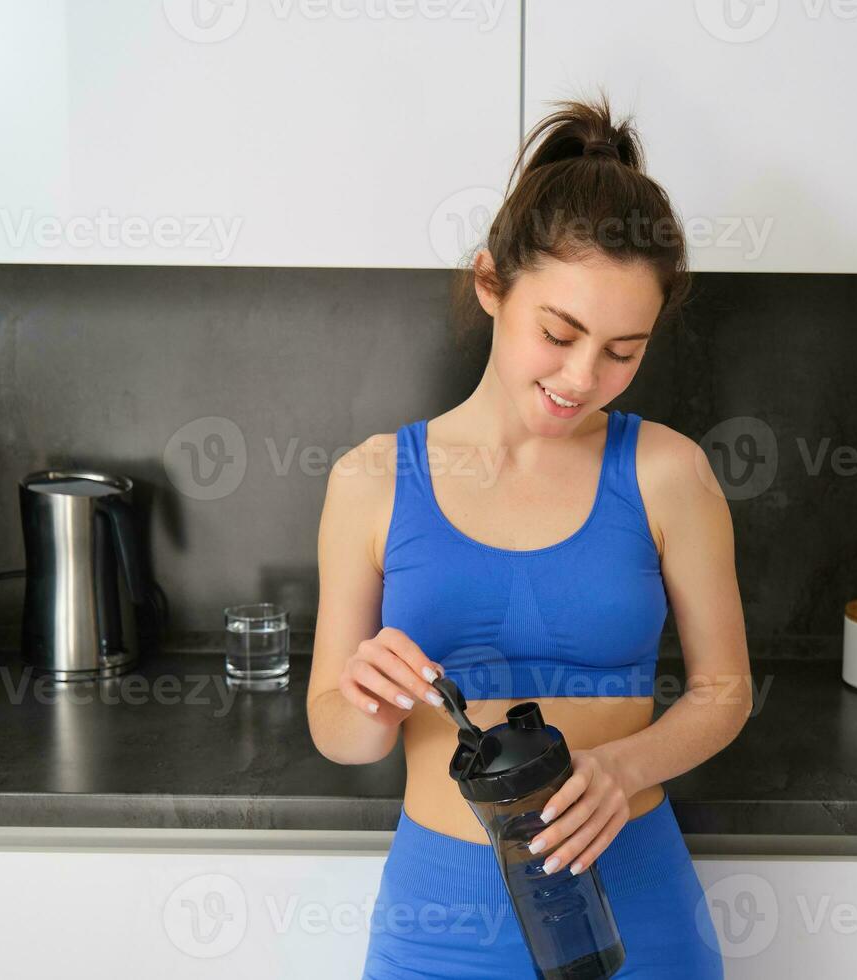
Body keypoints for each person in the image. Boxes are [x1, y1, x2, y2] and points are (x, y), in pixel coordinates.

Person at [308, 93, 751, 979]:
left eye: (624, 351)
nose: (584, 378)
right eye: (560, 333)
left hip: (635, 905)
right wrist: (367, 699)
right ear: (490, 284)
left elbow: (725, 692)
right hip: (438, 924)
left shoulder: (669, 474)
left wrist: (622, 771)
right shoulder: (370, 481)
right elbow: (338, 731)